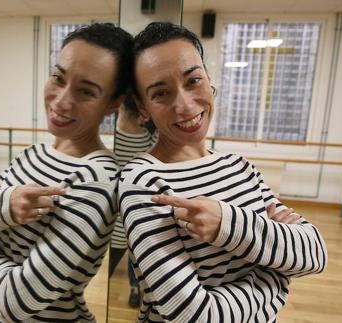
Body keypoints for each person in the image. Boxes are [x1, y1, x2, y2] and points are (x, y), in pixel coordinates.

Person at [119, 22, 327, 322]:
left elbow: (314, 253)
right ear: (143, 106)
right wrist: (277, 277)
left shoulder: (240, 167)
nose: (185, 104)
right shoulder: (144, 181)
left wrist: (226, 224)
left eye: (193, 81)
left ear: (208, 78)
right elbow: (194, 315)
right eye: (161, 93)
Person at [0, 23, 133, 322]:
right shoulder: (32, 155)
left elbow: (15, 301)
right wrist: (5, 204)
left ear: (113, 103)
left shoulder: (97, 178)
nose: (61, 100)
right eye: (58, 78)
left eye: (86, 91)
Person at [108, 93, 156, 308]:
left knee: (119, 255)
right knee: (132, 256)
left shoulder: (114, 137)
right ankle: (135, 289)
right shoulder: (152, 139)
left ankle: (134, 289)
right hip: (135, 211)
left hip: (121, 211)